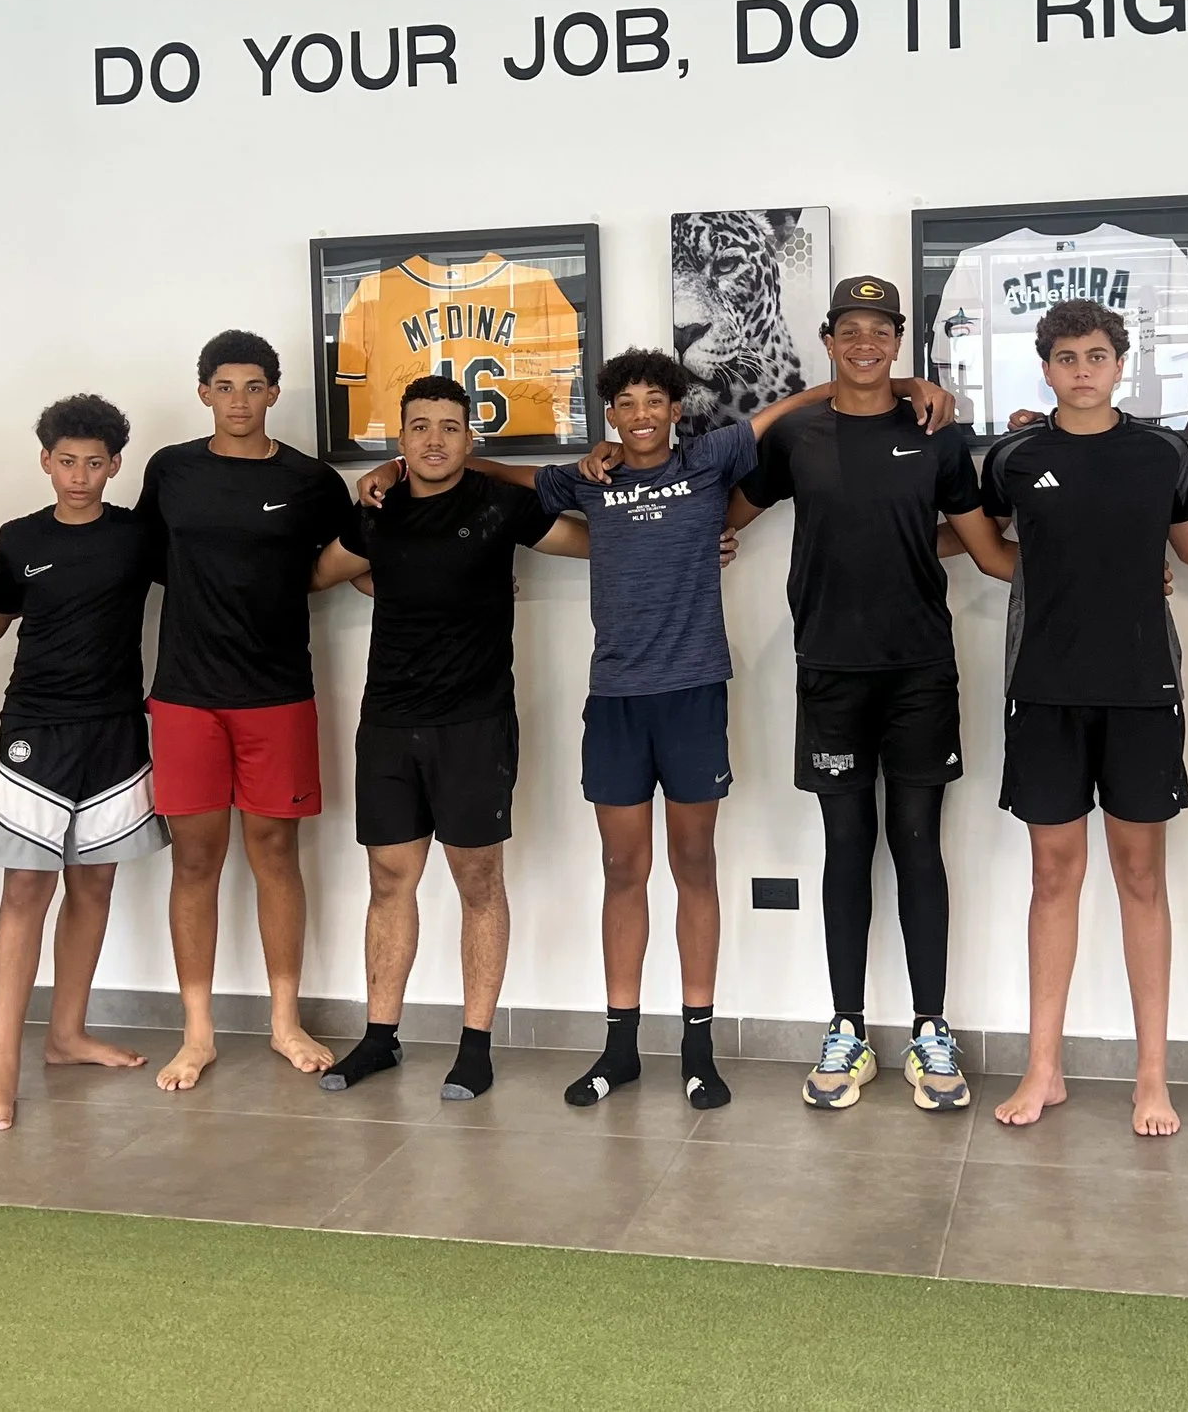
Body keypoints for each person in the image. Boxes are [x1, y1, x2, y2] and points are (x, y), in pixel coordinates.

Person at [355, 348, 952, 1112]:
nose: (640, 415)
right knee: (621, 868)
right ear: (611, 415)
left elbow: (802, 403)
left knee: (694, 862)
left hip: (695, 693)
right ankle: (620, 1047)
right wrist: (395, 473)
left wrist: (901, 384)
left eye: (653, 402)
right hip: (616, 700)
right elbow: (504, 477)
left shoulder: (714, 457)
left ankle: (698, 1049)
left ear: (676, 409)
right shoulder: (589, 477)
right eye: (625, 404)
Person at [975, 301, 1188, 1135]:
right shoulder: (1016, 455)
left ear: (1121, 363)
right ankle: (1044, 1069)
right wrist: (1051, 570)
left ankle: (1152, 1077)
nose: (1083, 369)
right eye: (1067, 357)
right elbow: (985, 543)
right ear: (1046, 368)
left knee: (1141, 879)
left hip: (1142, 690)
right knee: (1053, 878)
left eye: (1098, 355)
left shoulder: (1162, 451)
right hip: (1045, 689)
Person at [730, 275, 1009, 1112]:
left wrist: (1119, 574)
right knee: (846, 846)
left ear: (898, 342)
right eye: (850, 328)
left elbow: (988, 551)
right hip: (828, 669)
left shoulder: (937, 437)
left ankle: (930, 1030)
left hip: (921, 667)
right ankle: (846, 1030)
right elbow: (727, 513)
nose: (865, 342)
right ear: (829, 338)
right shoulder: (796, 436)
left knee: (918, 844)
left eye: (879, 330)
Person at [311, 375, 589, 1101]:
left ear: (471, 439)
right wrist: (383, 581)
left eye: (449, 427)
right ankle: (379, 1037)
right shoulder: (378, 512)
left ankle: (474, 1044)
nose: (435, 439)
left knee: (478, 883)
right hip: (390, 724)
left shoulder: (502, 505)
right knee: (388, 881)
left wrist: (683, 544)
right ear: (399, 440)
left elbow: (595, 544)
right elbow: (316, 573)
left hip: (475, 723)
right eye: (420, 427)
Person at [135, 329, 353, 1091]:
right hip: (187, 695)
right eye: (223, 386)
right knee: (195, 860)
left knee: (275, 855)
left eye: (252, 385)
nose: (238, 399)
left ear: (273, 392)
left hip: (277, 693)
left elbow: (346, 559)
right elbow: (146, 563)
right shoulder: (171, 471)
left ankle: (284, 1020)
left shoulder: (311, 479)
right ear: (203, 392)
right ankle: (197, 1033)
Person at [0, 395, 169, 1133]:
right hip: (36, 730)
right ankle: (0, 1074)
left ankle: (66, 1034)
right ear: (45, 461)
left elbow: (214, 576)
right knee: (26, 889)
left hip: (116, 729)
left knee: (95, 882)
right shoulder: (18, 537)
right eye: (66, 461)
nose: (80, 475)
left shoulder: (138, 536)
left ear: (115, 465)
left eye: (95, 463)